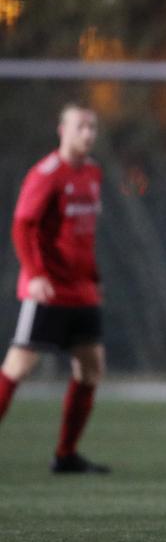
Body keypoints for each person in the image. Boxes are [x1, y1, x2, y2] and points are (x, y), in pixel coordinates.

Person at [0, 102, 109, 474]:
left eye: (92, 127)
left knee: (91, 368)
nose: (88, 134)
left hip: (81, 291)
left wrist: (94, 277)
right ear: (61, 130)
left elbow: (84, 236)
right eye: (80, 126)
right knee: (18, 365)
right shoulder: (46, 173)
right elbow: (22, 226)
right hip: (48, 289)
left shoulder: (93, 173)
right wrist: (36, 274)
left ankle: (65, 455)